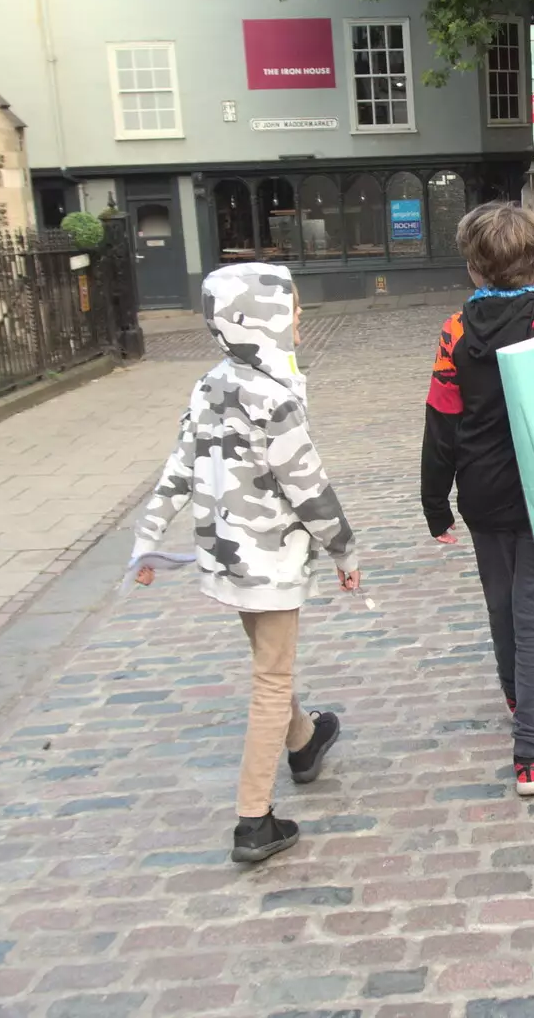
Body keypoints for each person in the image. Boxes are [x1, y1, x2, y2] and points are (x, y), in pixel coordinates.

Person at [132, 262, 360, 863]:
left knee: (268, 664)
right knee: (271, 679)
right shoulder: (275, 398)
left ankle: (306, 743)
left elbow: (179, 468)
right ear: (259, 320)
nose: (299, 320)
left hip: (225, 559)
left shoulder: (209, 385)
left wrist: (147, 536)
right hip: (271, 562)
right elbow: (309, 488)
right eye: (292, 311)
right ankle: (254, 819)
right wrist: (344, 550)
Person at [421, 203, 534, 797]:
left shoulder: (456, 332)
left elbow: (441, 422)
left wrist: (434, 502)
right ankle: (532, 754)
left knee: (501, 601)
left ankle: (517, 693)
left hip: (483, 489)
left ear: (473, 267)